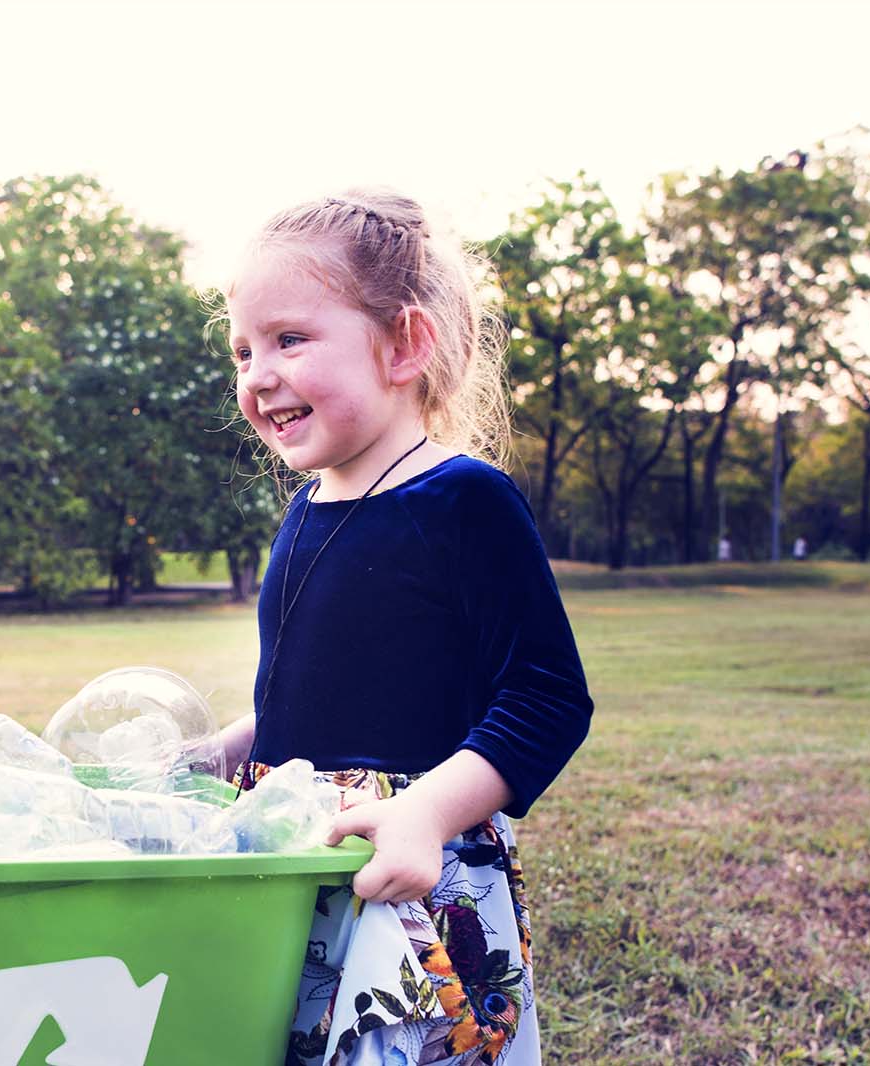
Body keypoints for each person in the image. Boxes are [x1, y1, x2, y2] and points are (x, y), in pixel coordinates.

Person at [215, 191, 592, 1065]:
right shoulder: (307, 506)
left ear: (406, 346)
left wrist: (424, 813)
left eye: (290, 339)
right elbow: (329, 682)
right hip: (306, 856)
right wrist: (241, 741)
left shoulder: (461, 498)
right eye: (243, 350)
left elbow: (547, 698)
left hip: (420, 876)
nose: (257, 373)